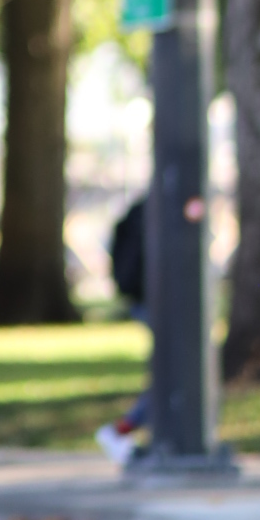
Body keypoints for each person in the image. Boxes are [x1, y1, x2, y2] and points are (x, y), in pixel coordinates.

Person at [95, 194, 151, 467]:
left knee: (176, 370)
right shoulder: (155, 211)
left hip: (146, 300)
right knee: (176, 371)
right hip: (152, 300)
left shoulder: (145, 208)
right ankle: (121, 430)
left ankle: (126, 430)